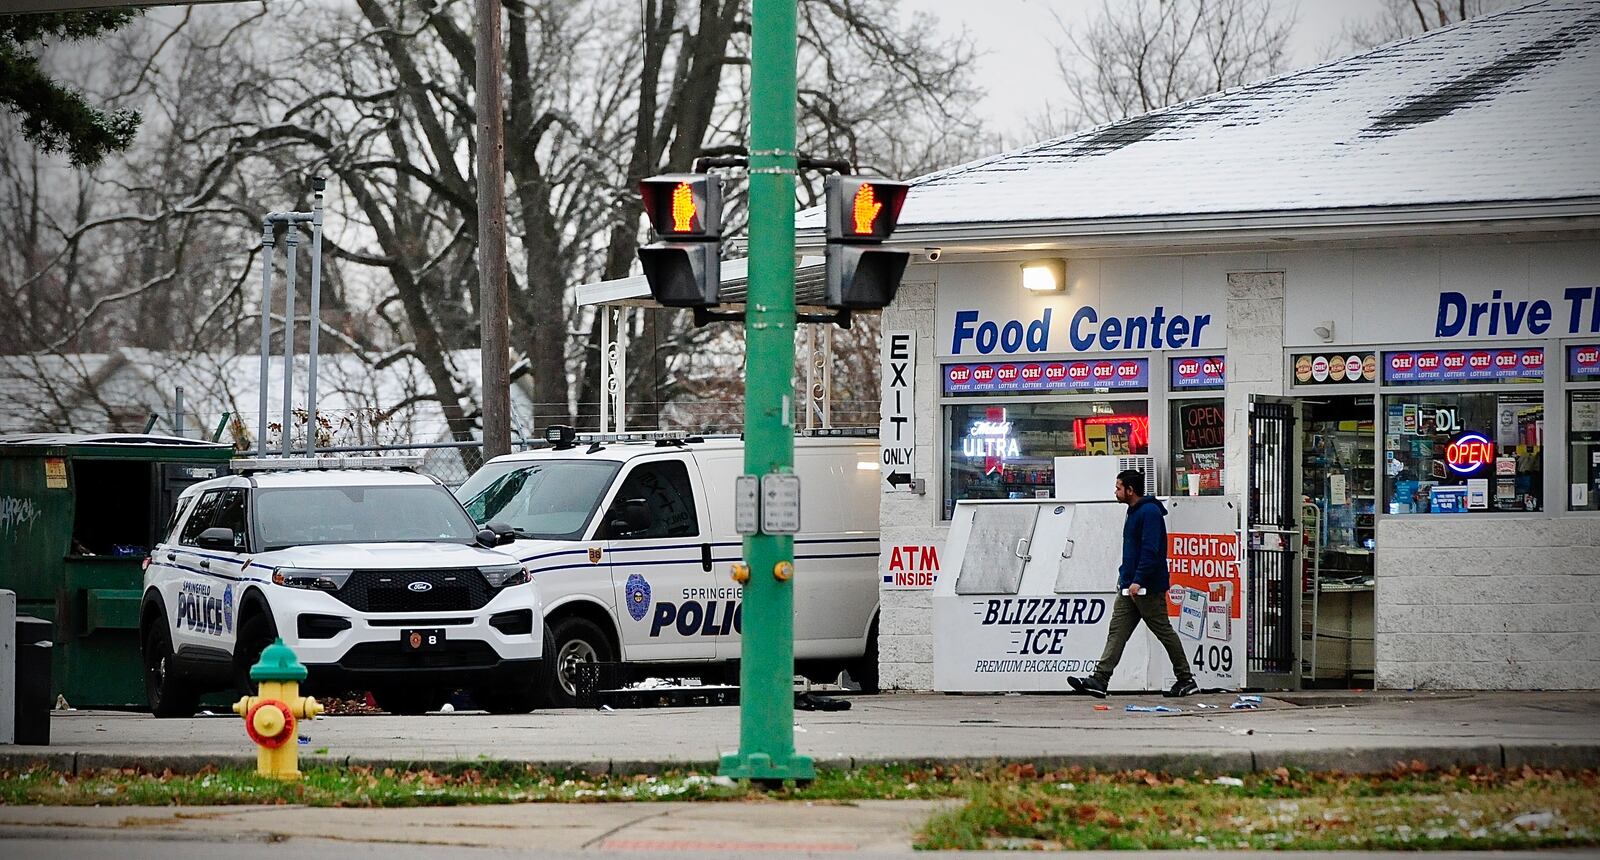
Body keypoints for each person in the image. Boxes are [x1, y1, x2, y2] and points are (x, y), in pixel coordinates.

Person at [1067, 469, 1197, 699]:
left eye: (1118, 488)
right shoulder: (1134, 512)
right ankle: (1100, 679)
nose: (1115, 492)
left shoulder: (1149, 513)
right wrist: (1126, 579)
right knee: (1117, 632)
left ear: (1130, 490)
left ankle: (1186, 679)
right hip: (1130, 586)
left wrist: (1138, 580)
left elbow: (1151, 549)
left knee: (1163, 630)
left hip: (1146, 587)